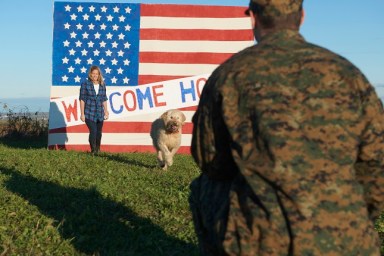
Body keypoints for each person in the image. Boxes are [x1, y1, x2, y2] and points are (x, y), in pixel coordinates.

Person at [189, 0, 384, 255]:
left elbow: (210, 159)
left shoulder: (229, 75)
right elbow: (376, 161)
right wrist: (355, 216)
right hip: (346, 237)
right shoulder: (348, 73)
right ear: (301, 17)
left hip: (258, 240)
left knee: (203, 185)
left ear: (252, 18)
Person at [79, 65, 109, 154]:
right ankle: (93, 150)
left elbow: (104, 98)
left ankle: (98, 149)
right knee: (93, 131)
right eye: (93, 73)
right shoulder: (85, 84)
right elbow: (82, 99)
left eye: (97, 74)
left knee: (99, 132)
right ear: (90, 74)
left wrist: (106, 111)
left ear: (99, 75)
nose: (95, 75)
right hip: (89, 112)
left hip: (100, 112)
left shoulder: (102, 85)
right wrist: (82, 114)